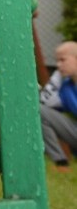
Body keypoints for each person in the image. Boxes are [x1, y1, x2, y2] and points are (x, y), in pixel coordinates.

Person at [39, 41, 77, 171]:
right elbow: (44, 103)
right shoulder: (65, 86)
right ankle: (61, 163)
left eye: (63, 60)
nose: (58, 65)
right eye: (57, 61)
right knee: (39, 111)